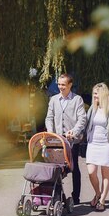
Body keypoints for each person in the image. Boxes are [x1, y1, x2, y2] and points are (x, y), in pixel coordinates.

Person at [45, 73, 86, 205]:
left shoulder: (77, 99)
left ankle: (76, 197)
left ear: (70, 85)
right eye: (59, 84)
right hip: (57, 140)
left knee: (73, 167)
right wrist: (51, 133)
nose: (60, 87)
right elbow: (49, 117)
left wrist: (74, 132)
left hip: (72, 140)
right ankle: (57, 195)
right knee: (56, 168)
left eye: (63, 84)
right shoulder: (53, 100)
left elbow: (82, 119)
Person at [84, 82, 109, 212]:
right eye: (93, 93)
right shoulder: (93, 108)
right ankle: (97, 193)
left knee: (106, 174)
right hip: (92, 144)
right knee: (91, 172)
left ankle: (102, 200)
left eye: (96, 94)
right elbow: (84, 123)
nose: (94, 96)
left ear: (103, 95)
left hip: (106, 145)